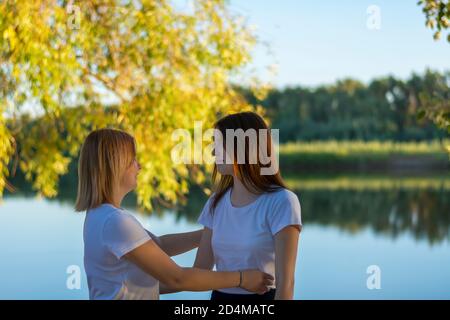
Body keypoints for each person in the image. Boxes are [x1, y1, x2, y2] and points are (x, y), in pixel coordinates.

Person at [75, 128, 273, 300]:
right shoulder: (115, 222)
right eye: (133, 160)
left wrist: (210, 232)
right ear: (115, 165)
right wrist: (242, 278)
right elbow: (177, 278)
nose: (139, 166)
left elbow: (159, 246)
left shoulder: (101, 215)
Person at [194, 112, 302, 300]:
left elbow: (286, 284)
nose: (212, 152)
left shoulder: (282, 201)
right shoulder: (215, 203)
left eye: (219, 144)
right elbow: (199, 272)